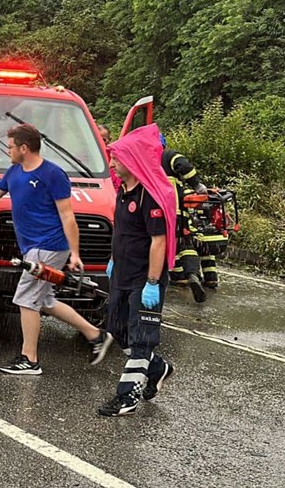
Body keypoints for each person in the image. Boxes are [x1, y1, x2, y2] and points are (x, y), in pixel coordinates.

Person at [0, 124, 112, 376]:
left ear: (24, 148)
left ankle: (30, 359)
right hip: (33, 247)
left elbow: (68, 216)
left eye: (11, 146)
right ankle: (96, 335)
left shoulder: (53, 175)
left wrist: (75, 253)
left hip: (48, 247)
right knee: (44, 300)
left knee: (27, 299)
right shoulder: (15, 171)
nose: (8, 151)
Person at [99, 125, 176, 417]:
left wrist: (153, 282)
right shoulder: (124, 192)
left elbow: (159, 242)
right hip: (122, 274)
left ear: (132, 161)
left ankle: (126, 397)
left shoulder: (149, 196)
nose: (112, 163)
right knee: (117, 329)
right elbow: (122, 231)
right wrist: (113, 259)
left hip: (145, 278)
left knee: (142, 338)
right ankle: (158, 368)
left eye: (116, 159)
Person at [161, 139, 213, 299]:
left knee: (166, 245)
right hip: (176, 211)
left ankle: (179, 277)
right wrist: (196, 184)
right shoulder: (168, 155)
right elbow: (184, 166)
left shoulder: (146, 159)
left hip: (155, 212)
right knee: (185, 244)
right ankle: (191, 274)